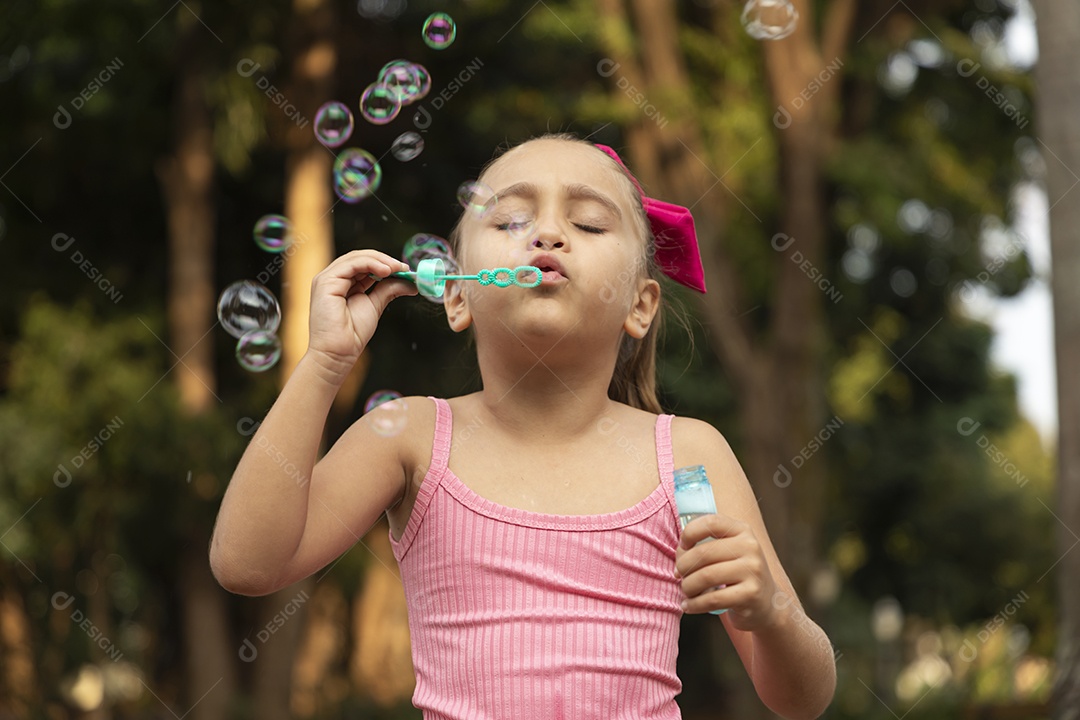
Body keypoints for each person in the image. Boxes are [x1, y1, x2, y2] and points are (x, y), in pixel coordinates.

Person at [210, 133, 836, 719]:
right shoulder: (410, 435)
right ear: (456, 295)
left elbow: (801, 700)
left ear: (640, 306)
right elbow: (247, 563)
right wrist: (326, 362)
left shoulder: (686, 455)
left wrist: (770, 614)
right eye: (510, 220)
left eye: (589, 223)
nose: (547, 234)